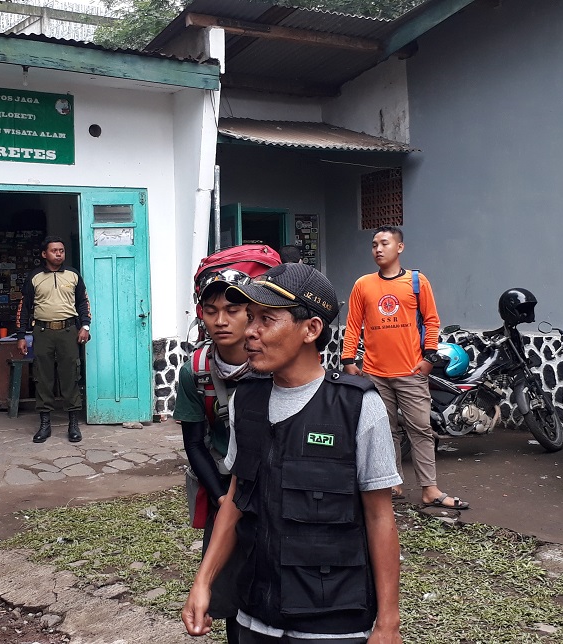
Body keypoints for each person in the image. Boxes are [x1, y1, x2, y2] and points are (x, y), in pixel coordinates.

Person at [182, 262, 402, 644]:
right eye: (250, 317)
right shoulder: (245, 402)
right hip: (254, 615)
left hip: (333, 622)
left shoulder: (356, 407)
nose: (249, 331)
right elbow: (235, 501)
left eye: (266, 319)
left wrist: (388, 623)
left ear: (311, 329)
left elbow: (380, 517)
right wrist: (203, 582)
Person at [175, 258, 274, 644]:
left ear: (250, 312)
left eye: (233, 310)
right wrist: (219, 497)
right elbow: (194, 443)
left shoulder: (271, 365)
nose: (221, 320)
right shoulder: (196, 371)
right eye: (211, 310)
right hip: (223, 486)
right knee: (228, 589)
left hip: (272, 485)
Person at [341, 225, 468, 510]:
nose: (378, 249)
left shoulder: (416, 281)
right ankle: (392, 482)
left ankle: (430, 489)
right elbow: (353, 326)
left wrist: (428, 359)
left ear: (399, 247)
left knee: (420, 429)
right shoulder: (363, 285)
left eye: (384, 243)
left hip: (410, 372)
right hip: (374, 373)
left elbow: (432, 320)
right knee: (385, 431)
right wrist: (349, 360)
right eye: (374, 244)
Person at [15, 236, 91, 443]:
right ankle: (45, 424)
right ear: (44, 254)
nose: (59, 254)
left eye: (62, 251)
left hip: (68, 332)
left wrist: (85, 326)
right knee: (43, 377)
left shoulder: (73, 275)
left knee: (70, 376)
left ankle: (73, 424)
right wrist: (21, 335)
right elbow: (24, 308)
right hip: (42, 332)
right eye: (54, 251)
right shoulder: (35, 277)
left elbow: (83, 302)